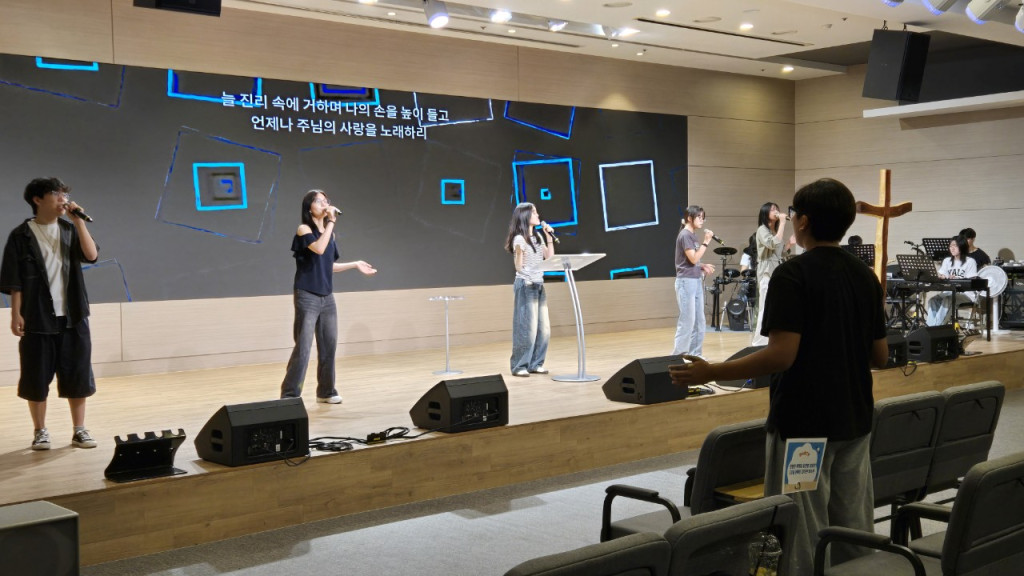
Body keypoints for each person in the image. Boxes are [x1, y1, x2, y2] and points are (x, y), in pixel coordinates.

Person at [670, 178, 889, 576]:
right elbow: (880, 356)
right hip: (856, 419)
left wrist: (712, 370)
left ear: (803, 221)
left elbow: (781, 356)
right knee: (854, 528)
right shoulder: (865, 276)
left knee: (801, 529)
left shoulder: (793, 275)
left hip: (804, 426)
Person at [1, 177, 100, 450]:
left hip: (73, 316)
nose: (63, 199)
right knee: (35, 375)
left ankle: (79, 430)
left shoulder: (69, 229)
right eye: (56, 194)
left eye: (64, 195)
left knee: (78, 373)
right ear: (37, 199)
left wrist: (79, 222)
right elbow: (14, 280)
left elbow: (91, 255)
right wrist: (15, 314)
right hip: (37, 317)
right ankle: (40, 430)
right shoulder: (20, 236)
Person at [280, 189, 376, 403]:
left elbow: (328, 266)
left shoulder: (329, 234)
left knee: (328, 346)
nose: (324, 204)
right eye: (319, 201)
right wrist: (331, 221)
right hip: (307, 294)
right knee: (303, 347)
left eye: (326, 201)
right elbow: (319, 249)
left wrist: (355, 264)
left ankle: (326, 391)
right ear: (309, 207)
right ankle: (290, 395)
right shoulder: (304, 229)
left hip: (327, 296)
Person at [506, 202, 556, 377]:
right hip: (526, 285)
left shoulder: (537, 237)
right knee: (527, 327)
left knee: (544, 328)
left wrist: (549, 237)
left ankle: (536, 363)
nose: (538, 215)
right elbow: (519, 267)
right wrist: (520, 254)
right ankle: (519, 365)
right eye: (534, 212)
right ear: (525, 216)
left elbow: (549, 258)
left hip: (538, 284)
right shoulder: (519, 239)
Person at [673, 206, 715, 356]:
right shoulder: (685, 235)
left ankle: (695, 355)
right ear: (690, 218)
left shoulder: (692, 235)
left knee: (699, 321)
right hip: (686, 282)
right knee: (687, 321)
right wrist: (706, 242)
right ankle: (677, 357)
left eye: (703, 217)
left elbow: (693, 260)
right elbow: (693, 258)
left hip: (695, 280)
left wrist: (702, 266)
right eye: (699, 217)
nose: (702, 220)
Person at [751, 203, 794, 346]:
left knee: (774, 308)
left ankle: (770, 341)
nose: (777, 211)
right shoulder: (762, 230)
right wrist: (782, 223)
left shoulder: (774, 230)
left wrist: (789, 244)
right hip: (766, 272)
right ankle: (758, 343)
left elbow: (780, 252)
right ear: (765, 213)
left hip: (776, 271)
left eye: (777, 209)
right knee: (765, 307)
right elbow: (772, 244)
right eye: (773, 209)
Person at [925, 235, 978, 326]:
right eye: (950, 246)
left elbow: (972, 281)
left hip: (966, 295)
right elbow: (942, 274)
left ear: (962, 247)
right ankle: (931, 326)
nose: (952, 248)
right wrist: (941, 276)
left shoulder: (970, 261)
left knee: (948, 299)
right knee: (933, 300)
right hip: (949, 292)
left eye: (955, 246)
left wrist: (957, 279)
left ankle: (935, 328)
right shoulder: (947, 261)